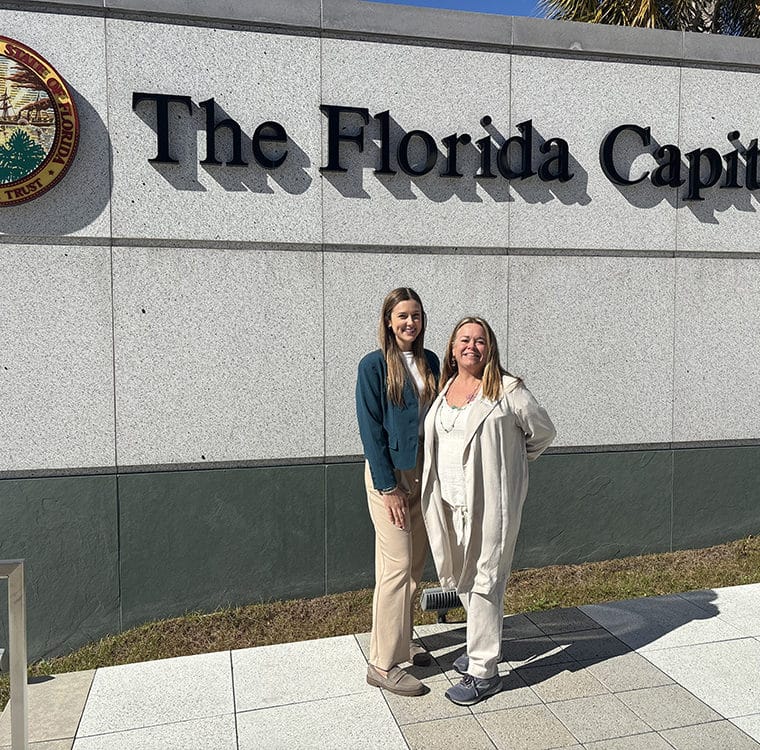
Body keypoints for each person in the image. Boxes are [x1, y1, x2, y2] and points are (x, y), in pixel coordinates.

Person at [421, 316, 555, 706]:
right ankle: (482, 645)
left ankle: (483, 671)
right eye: (464, 340)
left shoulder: (507, 390)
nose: (471, 347)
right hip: (449, 501)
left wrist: (511, 467)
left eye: (480, 341)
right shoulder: (446, 388)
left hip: (491, 504)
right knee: (463, 577)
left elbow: (543, 432)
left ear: (490, 347)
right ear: (452, 347)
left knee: (485, 579)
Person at [356, 288, 440, 697]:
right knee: (397, 565)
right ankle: (382, 664)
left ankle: (403, 641)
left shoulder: (432, 362)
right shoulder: (373, 367)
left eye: (417, 316)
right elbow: (370, 430)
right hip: (389, 476)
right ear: (389, 320)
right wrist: (388, 486)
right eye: (403, 315)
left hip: (423, 471)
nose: (411, 322)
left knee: (414, 564)